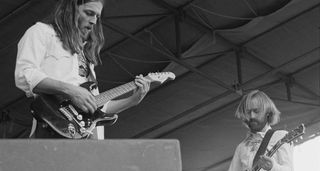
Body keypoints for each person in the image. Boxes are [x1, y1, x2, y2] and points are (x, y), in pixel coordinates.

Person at [14, 0, 150, 139]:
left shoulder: (85, 55)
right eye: (89, 13)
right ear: (70, 9)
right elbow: (24, 74)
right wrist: (71, 90)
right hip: (54, 130)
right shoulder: (41, 32)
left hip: (88, 143)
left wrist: (133, 100)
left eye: (97, 16)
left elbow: (95, 107)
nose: (94, 21)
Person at [228, 90, 293, 171]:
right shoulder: (241, 147)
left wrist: (273, 167)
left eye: (256, 111)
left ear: (268, 113)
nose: (252, 116)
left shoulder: (281, 136)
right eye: (248, 112)